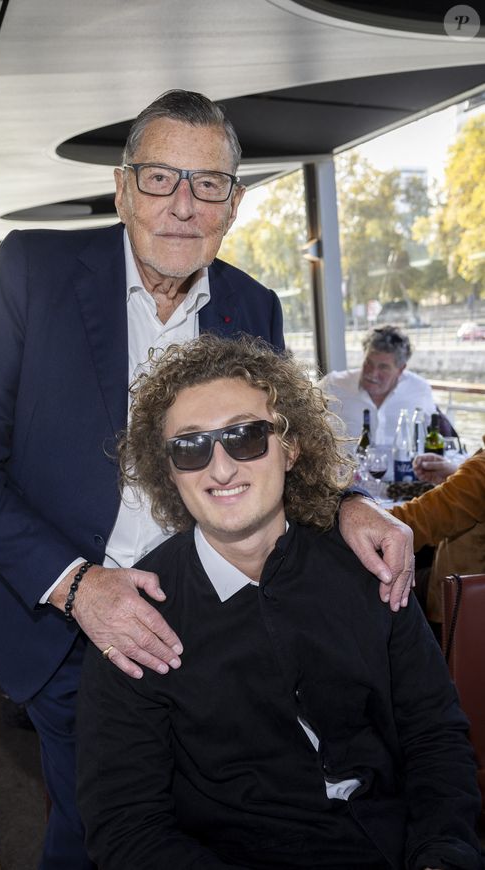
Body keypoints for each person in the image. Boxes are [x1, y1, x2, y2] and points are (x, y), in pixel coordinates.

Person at [0, 90, 413, 869]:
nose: (183, 206)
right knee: (99, 833)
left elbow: (283, 444)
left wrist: (354, 503)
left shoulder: (252, 303)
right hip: (73, 626)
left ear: (235, 203)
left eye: (208, 184)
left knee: (208, 824)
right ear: (123, 189)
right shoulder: (35, 270)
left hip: (211, 624)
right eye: (160, 179)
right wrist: (79, 587)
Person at [77, 333, 482, 870]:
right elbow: (127, 829)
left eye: (246, 437)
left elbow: (434, 734)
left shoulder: (367, 567)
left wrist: (442, 853)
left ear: (291, 447)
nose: (220, 468)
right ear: (169, 471)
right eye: (191, 447)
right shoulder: (135, 616)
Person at [390, 444, 485, 631]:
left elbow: (413, 522)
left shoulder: (480, 473)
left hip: (460, 606)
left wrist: (353, 513)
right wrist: (457, 475)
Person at [318, 324, 435, 447]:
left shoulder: (419, 389)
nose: (372, 373)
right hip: (347, 465)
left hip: (402, 465)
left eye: (383, 367)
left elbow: (433, 433)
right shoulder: (334, 384)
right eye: (368, 363)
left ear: (401, 369)